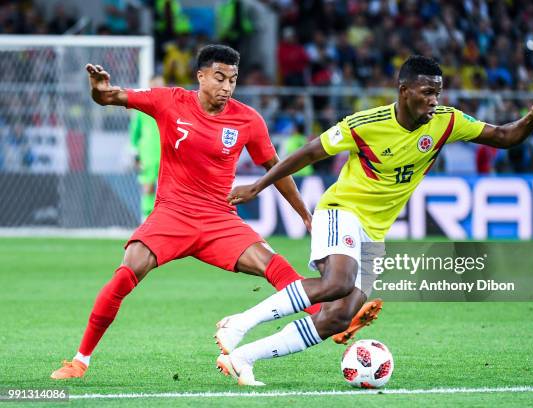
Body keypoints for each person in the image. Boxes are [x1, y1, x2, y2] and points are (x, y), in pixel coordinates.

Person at [216, 55, 533, 386]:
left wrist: (531, 118)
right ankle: (240, 323)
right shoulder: (366, 125)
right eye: (427, 93)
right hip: (341, 211)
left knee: (338, 317)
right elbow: (308, 152)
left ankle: (244, 357)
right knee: (337, 282)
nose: (434, 101)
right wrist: (259, 186)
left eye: (438, 93)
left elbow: (503, 136)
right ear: (404, 90)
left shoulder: (447, 122)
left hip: (374, 232)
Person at [50, 45, 379, 380]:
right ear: (201, 76)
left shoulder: (248, 120)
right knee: (125, 274)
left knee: (274, 264)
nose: (226, 87)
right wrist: (99, 89)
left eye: (233, 80)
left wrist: (304, 214)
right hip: (171, 215)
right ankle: (80, 361)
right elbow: (108, 98)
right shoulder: (169, 100)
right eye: (219, 78)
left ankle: (335, 321)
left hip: (219, 221)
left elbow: (276, 168)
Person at [129, 76, 164, 221]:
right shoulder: (141, 108)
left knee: (166, 189)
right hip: (148, 154)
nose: (158, 88)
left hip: (167, 154)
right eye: (155, 85)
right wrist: (136, 155)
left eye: (161, 85)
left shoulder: (169, 106)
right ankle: (146, 220)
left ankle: (162, 221)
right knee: (148, 187)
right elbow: (134, 134)